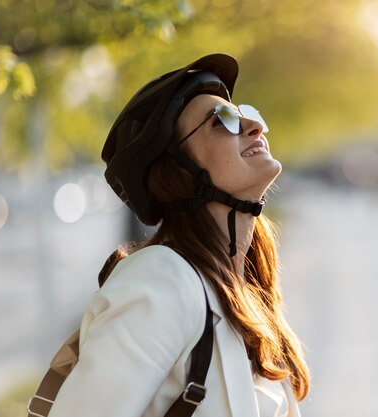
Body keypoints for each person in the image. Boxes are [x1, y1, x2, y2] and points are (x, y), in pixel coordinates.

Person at [47, 53, 309, 417]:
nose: (254, 127)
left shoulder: (244, 287)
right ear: (180, 173)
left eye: (247, 112)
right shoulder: (161, 280)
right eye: (224, 120)